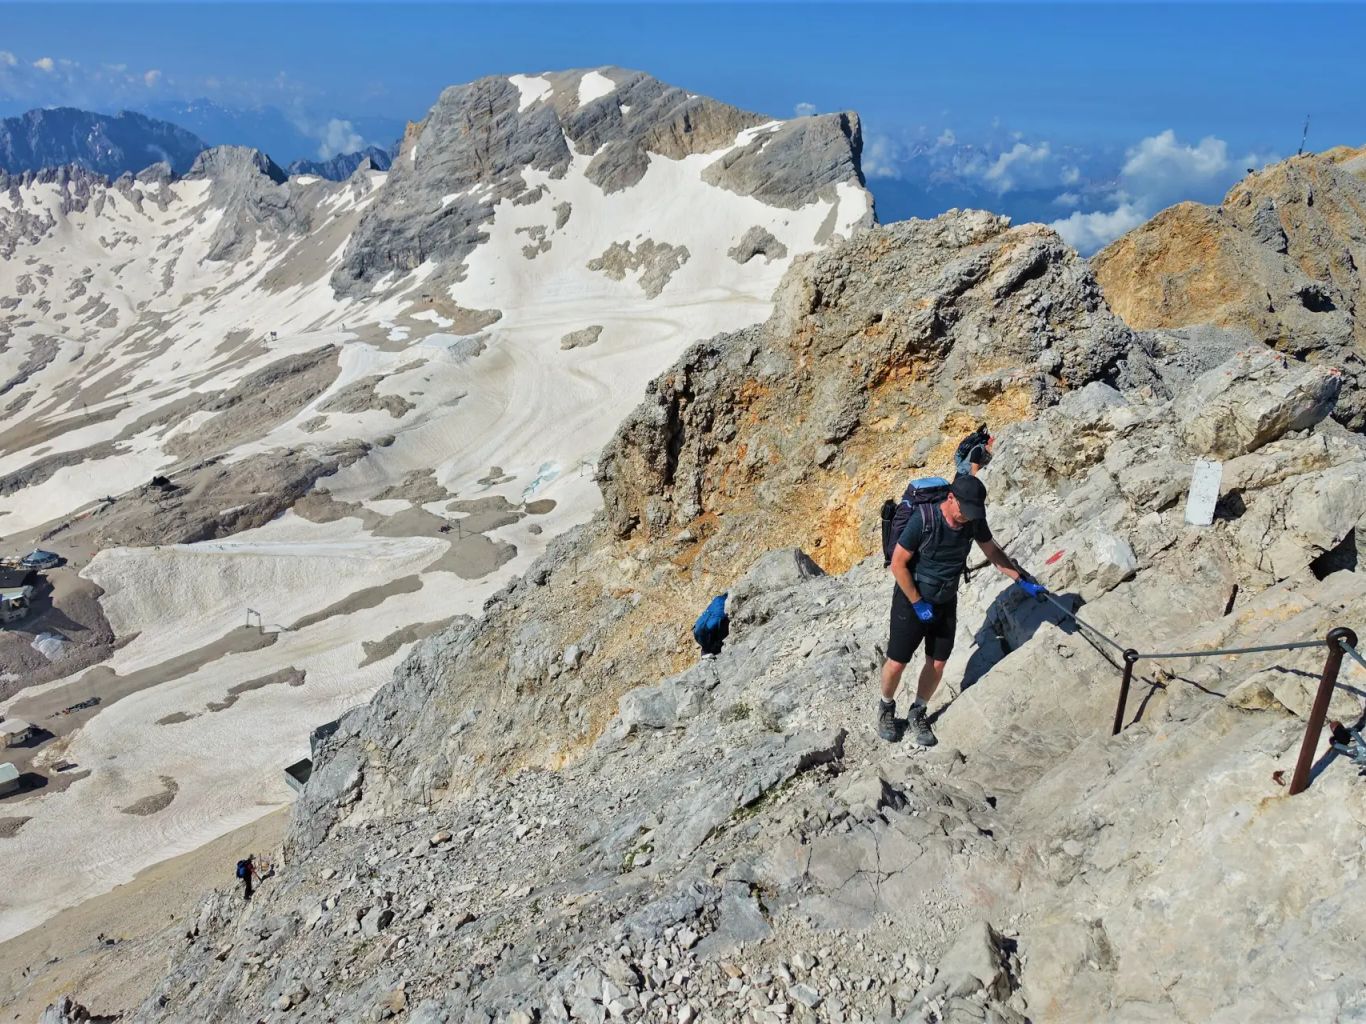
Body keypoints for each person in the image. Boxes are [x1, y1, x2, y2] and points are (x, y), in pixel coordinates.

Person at [877, 474, 1044, 746]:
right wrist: (918, 602)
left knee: (938, 662)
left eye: (973, 513)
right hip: (911, 599)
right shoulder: (924, 519)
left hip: (946, 599)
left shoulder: (973, 521)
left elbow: (993, 552)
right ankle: (885, 707)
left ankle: (918, 711)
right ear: (951, 498)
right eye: (964, 511)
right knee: (897, 662)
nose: (968, 517)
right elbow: (898, 564)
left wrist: (1021, 578)